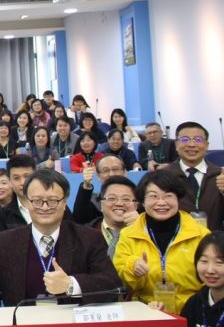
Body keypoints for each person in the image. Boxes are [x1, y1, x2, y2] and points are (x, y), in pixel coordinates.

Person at [0, 169, 121, 307]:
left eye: (53, 200)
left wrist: (71, 284)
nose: (45, 207)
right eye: (37, 201)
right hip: (22, 321)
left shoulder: (88, 238)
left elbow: (112, 285)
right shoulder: (4, 242)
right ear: (27, 202)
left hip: (71, 320)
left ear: (64, 203)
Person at [113, 170, 209, 308]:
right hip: (147, 310)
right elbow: (120, 277)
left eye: (168, 196)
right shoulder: (128, 235)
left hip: (192, 310)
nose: (161, 202)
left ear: (178, 199)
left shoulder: (200, 234)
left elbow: (211, 278)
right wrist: (133, 268)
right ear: (142, 201)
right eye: (153, 196)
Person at [160, 121, 224, 231]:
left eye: (198, 139)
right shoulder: (163, 176)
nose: (192, 144)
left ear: (207, 145)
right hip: (175, 239)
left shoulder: (219, 174)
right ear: (176, 145)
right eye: (185, 139)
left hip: (214, 239)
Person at [91, 176, 140, 257]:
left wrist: (141, 229)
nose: (119, 203)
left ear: (136, 205)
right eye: (112, 198)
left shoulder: (148, 233)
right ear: (101, 204)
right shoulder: (84, 236)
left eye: (126, 199)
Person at [72, 154, 127, 225]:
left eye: (115, 169)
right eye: (105, 170)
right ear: (98, 176)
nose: (111, 174)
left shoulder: (136, 198)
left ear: (125, 172)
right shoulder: (93, 201)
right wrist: (86, 185)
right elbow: (79, 221)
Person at [0, 154, 36, 230]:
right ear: (10, 181)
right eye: (16, 178)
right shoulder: (3, 214)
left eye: (27, 176)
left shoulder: (51, 206)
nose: (22, 182)